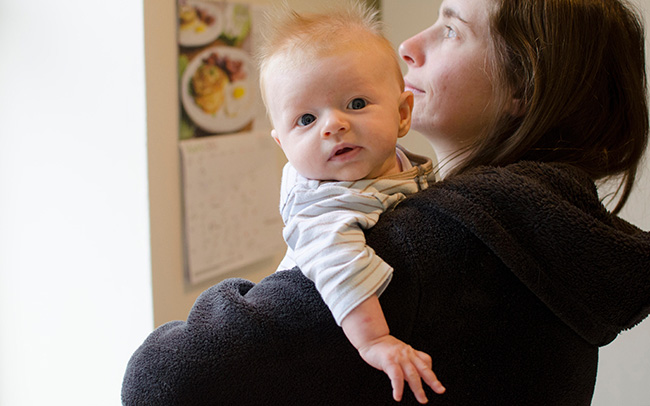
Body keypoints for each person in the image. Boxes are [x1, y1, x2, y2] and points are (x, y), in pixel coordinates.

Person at [122, 0, 650, 405]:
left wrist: (261, 292)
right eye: (305, 118)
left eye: (451, 30)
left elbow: (163, 381)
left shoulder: (439, 244)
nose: (409, 46)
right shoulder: (558, 228)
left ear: (524, 86)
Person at [258, 5, 443, 403]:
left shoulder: (393, 164)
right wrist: (375, 340)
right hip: (325, 340)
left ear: (402, 114)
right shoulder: (322, 206)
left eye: (356, 104)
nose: (332, 125)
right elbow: (337, 264)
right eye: (306, 119)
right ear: (283, 144)